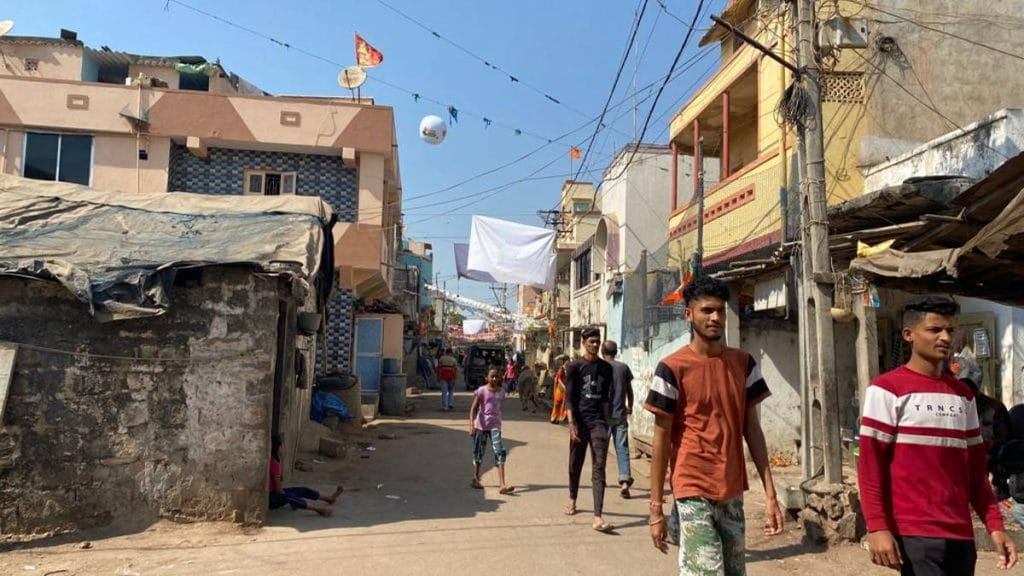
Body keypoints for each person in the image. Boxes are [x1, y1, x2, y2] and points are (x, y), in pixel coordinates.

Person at [859, 296, 1017, 575]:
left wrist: (995, 526)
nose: (945, 337)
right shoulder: (886, 390)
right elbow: (871, 467)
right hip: (913, 534)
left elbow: (975, 475)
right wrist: (877, 527)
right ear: (909, 335)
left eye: (949, 330)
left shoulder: (963, 396)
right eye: (934, 330)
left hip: (960, 535)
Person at [645, 277, 784, 574]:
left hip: (732, 489)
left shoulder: (743, 364)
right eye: (707, 310)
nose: (716, 317)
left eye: (720, 310)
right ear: (688, 314)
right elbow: (660, 439)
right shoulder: (671, 368)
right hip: (692, 487)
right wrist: (655, 508)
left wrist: (771, 495)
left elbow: (753, 431)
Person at [564, 326, 615, 533]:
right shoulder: (575, 367)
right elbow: (569, 398)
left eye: (597, 341)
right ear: (583, 342)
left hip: (597, 424)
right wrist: (571, 424)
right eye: (591, 341)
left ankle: (598, 516)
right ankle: (572, 498)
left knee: (599, 467)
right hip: (579, 422)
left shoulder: (606, 368)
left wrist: (606, 422)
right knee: (575, 463)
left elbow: (604, 399)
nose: (595, 345)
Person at [268, 435, 342, 517]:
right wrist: (289, 496)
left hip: (273, 494)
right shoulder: (274, 464)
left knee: (302, 490)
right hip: (272, 498)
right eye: (282, 446)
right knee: (291, 497)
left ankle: (329, 498)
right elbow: (279, 490)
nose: (283, 448)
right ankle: (319, 510)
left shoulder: (271, 460)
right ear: (277, 448)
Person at [469, 367, 514, 494]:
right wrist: (471, 425)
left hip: (495, 426)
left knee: (499, 451)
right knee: (479, 451)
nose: (494, 379)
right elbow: (473, 409)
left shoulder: (501, 392)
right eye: (492, 376)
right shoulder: (481, 391)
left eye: (497, 376)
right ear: (486, 377)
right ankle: (475, 478)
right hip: (481, 426)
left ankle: (502, 484)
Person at [601, 340, 636, 499]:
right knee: (622, 448)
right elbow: (629, 390)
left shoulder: (599, 367)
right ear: (616, 352)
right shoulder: (623, 368)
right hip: (620, 414)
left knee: (600, 448)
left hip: (603, 416)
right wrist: (631, 406)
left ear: (603, 351)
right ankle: (624, 481)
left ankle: (600, 478)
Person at [437, 348, 459, 412]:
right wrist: (455, 378)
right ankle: (450, 404)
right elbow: (456, 370)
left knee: (444, 392)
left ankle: (445, 407)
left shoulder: (441, 359)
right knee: (451, 391)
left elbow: (439, 368)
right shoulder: (453, 359)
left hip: (443, 376)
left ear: (446, 352)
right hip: (451, 376)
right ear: (451, 353)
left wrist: (438, 377)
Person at [550, 355, 570, 424]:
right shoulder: (561, 369)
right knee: (557, 404)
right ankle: (553, 418)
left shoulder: (568, 369)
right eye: (567, 360)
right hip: (560, 389)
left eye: (569, 360)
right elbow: (559, 379)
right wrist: (564, 386)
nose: (568, 362)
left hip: (565, 390)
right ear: (564, 361)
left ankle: (558, 418)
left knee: (563, 404)